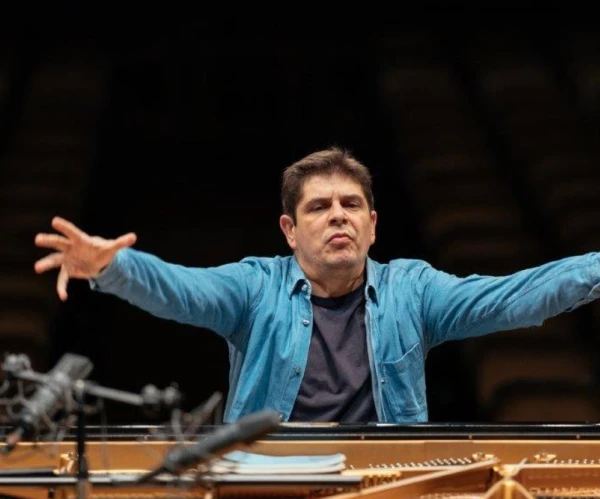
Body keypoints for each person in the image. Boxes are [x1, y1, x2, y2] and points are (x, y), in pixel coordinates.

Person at [33, 146, 600, 424]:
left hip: (385, 492)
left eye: (351, 205)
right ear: (290, 230)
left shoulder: (412, 290)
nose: (338, 217)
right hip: (267, 489)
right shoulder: (256, 286)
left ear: (372, 225)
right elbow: (182, 290)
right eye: (320, 207)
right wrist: (112, 267)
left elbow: (511, 297)